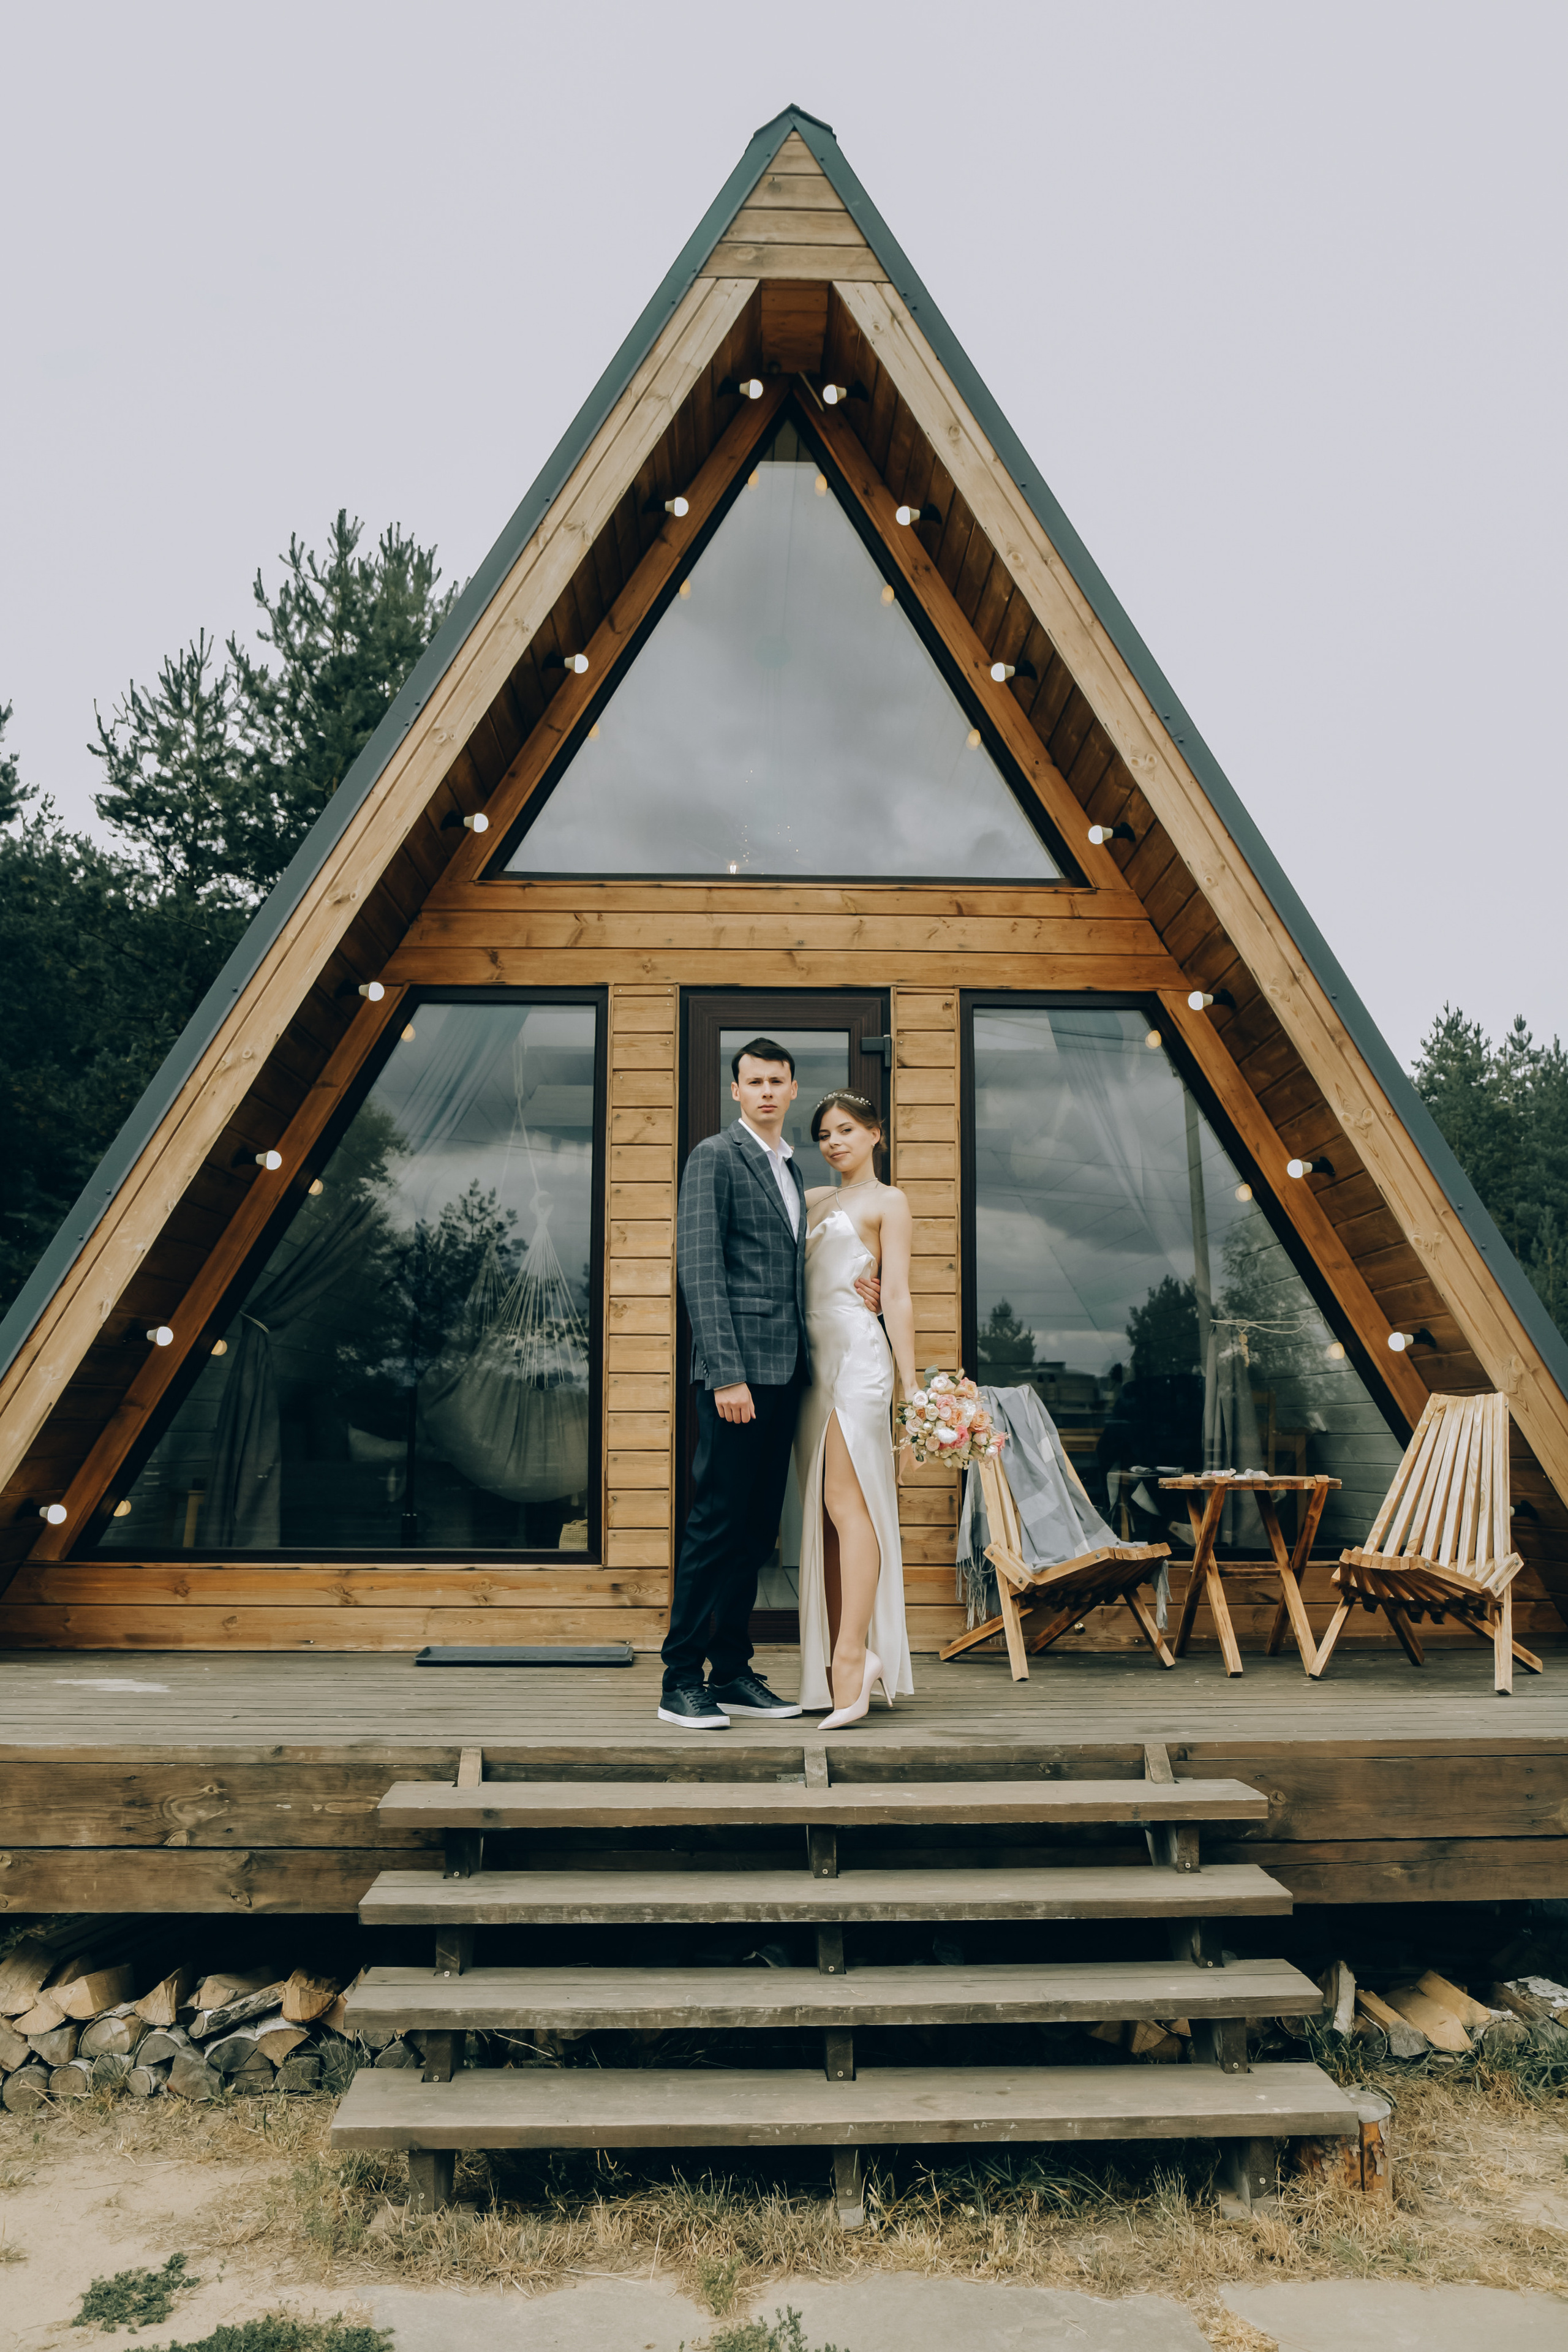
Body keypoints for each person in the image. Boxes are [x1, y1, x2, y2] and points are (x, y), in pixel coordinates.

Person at [661, 1039, 880, 1728]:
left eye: (775, 1082)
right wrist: (725, 1372)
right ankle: (679, 1679)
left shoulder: (790, 1173)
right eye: (751, 1081)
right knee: (715, 1525)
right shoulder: (715, 1157)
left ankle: (729, 1671)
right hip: (737, 1378)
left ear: (791, 1090)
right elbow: (699, 1268)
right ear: (735, 1091)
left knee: (756, 1534)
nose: (763, 1091)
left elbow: (803, 1266)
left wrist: (861, 1286)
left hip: (788, 1376)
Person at [795, 1091, 916, 1727]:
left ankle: (852, 1659)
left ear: (875, 1133)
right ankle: (842, 1654)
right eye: (822, 1134)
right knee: (825, 1514)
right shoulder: (812, 1200)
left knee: (849, 1504)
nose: (833, 1141)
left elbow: (894, 1294)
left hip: (858, 1363)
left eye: (845, 1129)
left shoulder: (888, 1201)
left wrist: (910, 1390)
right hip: (809, 1367)